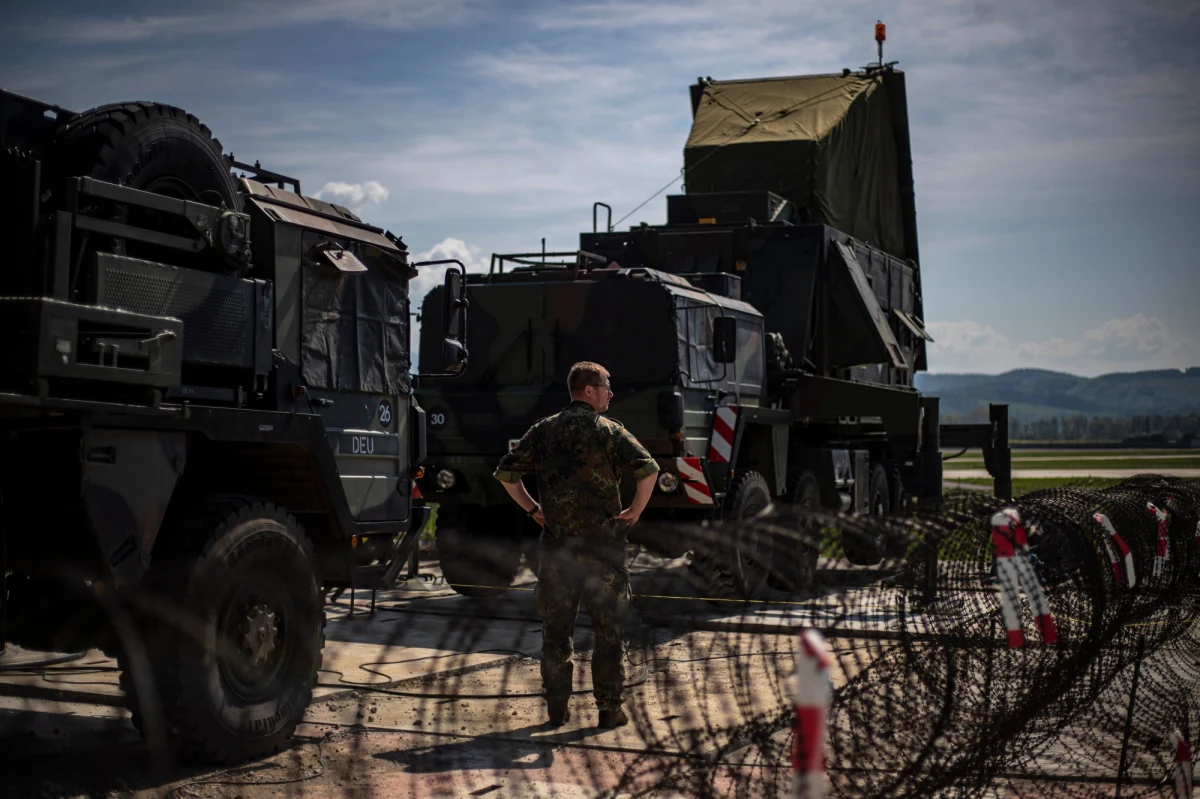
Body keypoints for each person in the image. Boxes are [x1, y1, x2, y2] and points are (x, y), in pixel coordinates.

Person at [493, 361, 659, 729]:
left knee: (556, 633)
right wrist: (633, 511)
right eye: (606, 386)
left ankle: (557, 709)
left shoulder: (543, 430)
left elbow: (506, 473)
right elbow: (649, 470)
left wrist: (533, 509)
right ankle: (610, 709)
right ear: (589, 390)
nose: (611, 393)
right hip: (604, 551)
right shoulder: (609, 431)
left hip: (557, 551)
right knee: (609, 633)